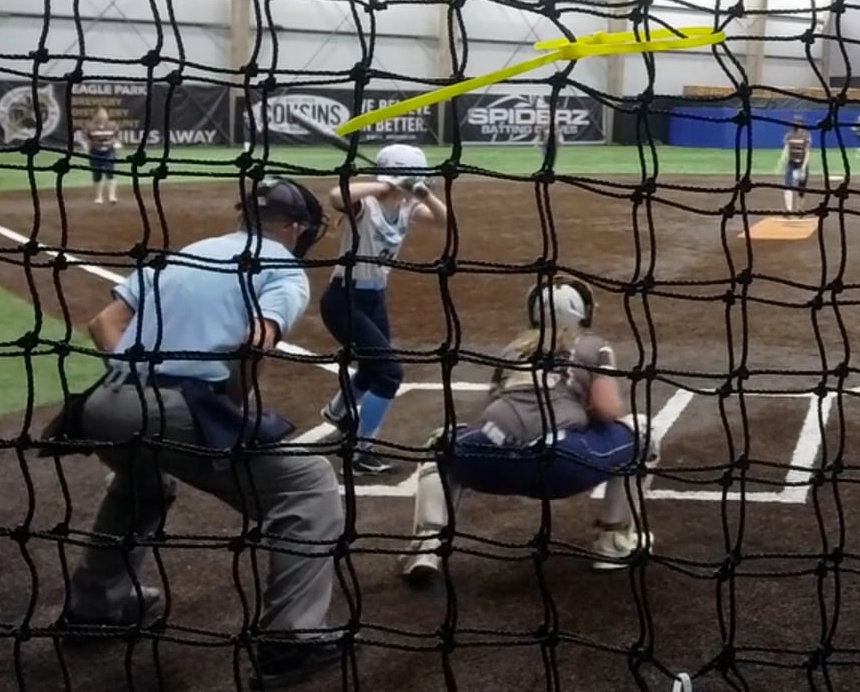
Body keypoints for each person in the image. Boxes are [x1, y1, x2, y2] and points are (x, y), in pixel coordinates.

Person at [46, 177, 347, 689]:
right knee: (308, 484)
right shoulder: (283, 269)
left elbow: (103, 324)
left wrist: (138, 383)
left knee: (142, 483)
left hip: (103, 404)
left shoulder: (187, 252)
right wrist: (222, 409)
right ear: (296, 228)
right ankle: (289, 641)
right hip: (173, 409)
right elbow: (255, 342)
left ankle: (96, 607)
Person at [399, 277, 657, 586]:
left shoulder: (513, 349)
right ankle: (614, 543)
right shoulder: (595, 346)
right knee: (643, 433)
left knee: (441, 443)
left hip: (488, 459)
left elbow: (491, 405)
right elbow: (607, 411)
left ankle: (427, 546)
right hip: (561, 465)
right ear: (584, 312)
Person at [318, 144, 448, 478]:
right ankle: (362, 453)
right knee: (390, 373)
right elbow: (336, 196)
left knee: (372, 367)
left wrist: (422, 192)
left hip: (374, 299)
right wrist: (386, 184)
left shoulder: (406, 206)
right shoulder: (367, 205)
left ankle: (337, 412)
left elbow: (443, 220)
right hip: (343, 300)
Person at [82, 107, 121, 205]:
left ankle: (112, 196)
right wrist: (86, 145)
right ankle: (99, 197)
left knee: (110, 172)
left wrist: (117, 143)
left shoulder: (113, 125)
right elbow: (84, 138)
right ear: (96, 115)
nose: (102, 116)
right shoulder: (89, 126)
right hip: (95, 152)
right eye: (100, 113)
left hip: (109, 151)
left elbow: (117, 137)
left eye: (104, 113)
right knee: (97, 174)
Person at [781, 119, 811, 217]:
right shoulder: (789, 135)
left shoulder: (806, 136)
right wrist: (782, 161)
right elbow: (786, 149)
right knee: (787, 186)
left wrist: (803, 167)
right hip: (791, 163)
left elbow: (807, 152)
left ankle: (799, 210)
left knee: (801, 189)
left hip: (801, 163)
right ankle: (789, 210)